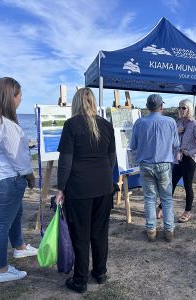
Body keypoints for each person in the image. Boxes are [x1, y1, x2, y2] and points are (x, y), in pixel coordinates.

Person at [56, 88, 116, 293]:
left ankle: (80, 280)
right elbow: (112, 160)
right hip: (104, 186)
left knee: (80, 234)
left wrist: (60, 188)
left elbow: (65, 161)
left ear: (76, 103)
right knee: (100, 232)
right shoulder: (107, 125)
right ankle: (100, 272)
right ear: (93, 103)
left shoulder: (71, 125)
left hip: (79, 188)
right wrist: (105, 178)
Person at [0, 77, 37, 283]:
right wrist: (31, 177)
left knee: (15, 213)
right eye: (19, 95)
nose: (21, 99)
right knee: (1, 224)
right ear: (11, 97)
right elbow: (19, 158)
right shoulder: (6, 124)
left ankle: (19, 246)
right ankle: (1, 270)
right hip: (7, 179)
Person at [130, 94, 179, 242]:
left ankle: (151, 230)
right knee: (166, 198)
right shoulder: (171, 122)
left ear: (147, 106)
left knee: (150, 199)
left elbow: (133, 146)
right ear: (161, 107)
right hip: (164, 164)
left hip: (146, 165)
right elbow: (176, 144)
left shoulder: (139, 122)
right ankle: (169, 230)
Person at [157, 99, 196, 223]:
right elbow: (170, 139)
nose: (180, 110)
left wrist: (189, 153)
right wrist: (175, 132)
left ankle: (187, 211)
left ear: (189, 109)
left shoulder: (195, 124)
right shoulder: (177, 123)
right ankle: (161, 207)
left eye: (183, 108)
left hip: (189, 160)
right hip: (177, 159)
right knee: (171, 184)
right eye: (179, 108)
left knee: (187, 185)